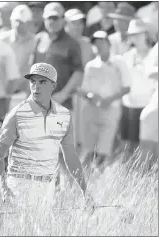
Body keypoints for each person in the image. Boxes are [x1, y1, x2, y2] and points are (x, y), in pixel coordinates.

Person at [0, 62, 93, 210]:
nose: (36, 86)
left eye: (42, 81)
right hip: (19, 186)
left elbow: (70, 156)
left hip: (48, 187)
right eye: (33, 81)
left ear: (53, 86)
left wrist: (85, 191)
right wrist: (3, 187)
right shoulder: (17, 114)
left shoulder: (64, 115)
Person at [29, 2, 84, 189]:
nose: (52, 21)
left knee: (64, 150)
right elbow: (32, 71)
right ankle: (51, 189)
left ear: (63, 20)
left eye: (56, 18)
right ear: (44, 19)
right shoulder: (38, 39)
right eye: (49, 18)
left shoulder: (72, 43)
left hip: (62, 103)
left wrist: (62, 94)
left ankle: (69, 189)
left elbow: (78, 73)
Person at [76, 31, 131, 169]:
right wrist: (92, 97)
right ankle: (84, 182)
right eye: (95, 43)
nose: (98, 45)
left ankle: (98, 181)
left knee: (104, 151)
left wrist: (109, 100)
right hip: (92, 110)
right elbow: (83, 90)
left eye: (102, 42)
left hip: (111, 110)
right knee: (88, 150)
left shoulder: (119, 62)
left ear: (109, 43)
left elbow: (127, 87)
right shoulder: (90, 65)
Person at [120, 19, 157, 154]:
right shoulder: (127, 56)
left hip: (148, 104)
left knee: (145, 146)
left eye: (138, 34)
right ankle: (129, 173)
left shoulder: (154, 54)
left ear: (146, 34)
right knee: (127, 144)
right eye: (132, 34)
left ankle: (145, 174)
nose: (134, 37)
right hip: (128, 104)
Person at [64, 8, 96, 150]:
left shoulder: (88, 44)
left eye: (81, 23)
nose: (79, 26)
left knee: (83, 139)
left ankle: (80, 170)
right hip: (65, 96)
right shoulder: (60, 43)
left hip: (83, 97)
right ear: (66, 24)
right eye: (74, 23)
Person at [0, 4, 36, 95]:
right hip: (2, 89)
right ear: (11, 21)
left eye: (22, 22)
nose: (18, 25)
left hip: (24, 92)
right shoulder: (2, 38)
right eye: (16, 21)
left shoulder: (35, 41)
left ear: (29, 23)